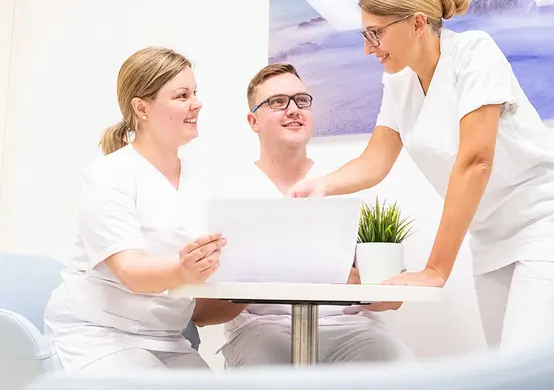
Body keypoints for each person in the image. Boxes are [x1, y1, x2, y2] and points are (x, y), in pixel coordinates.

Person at [287, 0, 554, 350]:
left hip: (548, 221)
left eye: (376, 33)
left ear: (418, 23)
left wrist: (436, 269)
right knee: (507, 367)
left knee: (529, 363)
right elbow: (375, 161)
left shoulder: (474, 52)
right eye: (365, 34)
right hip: (490, 234)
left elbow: (476, 161)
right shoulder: (398, 81)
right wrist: (321, 185)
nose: (368, 48)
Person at [192, 63, 414, 366]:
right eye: (277, 102)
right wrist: (249, 281)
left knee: (397, 368)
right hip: (263, 331)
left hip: (349, 328)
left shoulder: (345, 183)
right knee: (263, 375)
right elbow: (202, 315)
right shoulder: (227, 196)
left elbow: (393, 299)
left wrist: (355, 284)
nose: (294, 109)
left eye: (301, 100)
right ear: (253, 121)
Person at [43, 47, 233, 372]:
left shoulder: (202, 183)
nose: (197, 104)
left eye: (195, 93)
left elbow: (209, 295)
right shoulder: (108, 176)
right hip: (99, 336)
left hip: (167, 338)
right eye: (182, 95)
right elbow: (131, 271)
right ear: (142, 108)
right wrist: (183, 270)